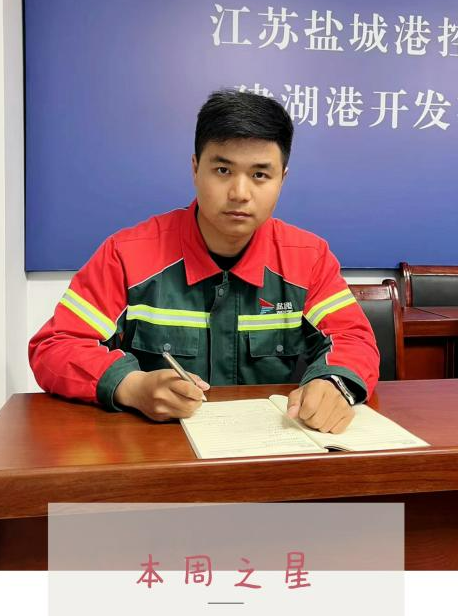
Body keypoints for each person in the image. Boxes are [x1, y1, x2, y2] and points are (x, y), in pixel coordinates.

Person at [29, 89, 379, 434]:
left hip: (270, 449)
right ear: (196, 168)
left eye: (260, 175)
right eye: (223, 170)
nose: (240, 193)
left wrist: (334, 384)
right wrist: (132, 386)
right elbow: (56, 346)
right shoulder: (126, 255)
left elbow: (353, 338)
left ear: (282, 179)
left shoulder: (309, 258)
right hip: (159, 451)